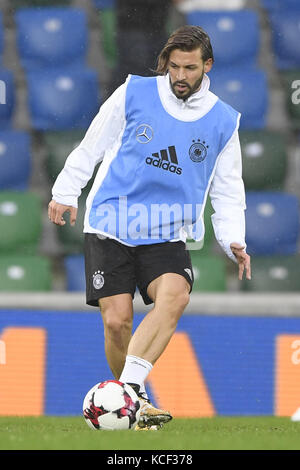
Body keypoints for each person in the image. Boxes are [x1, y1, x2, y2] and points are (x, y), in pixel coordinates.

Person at [48, 25, 251, 431]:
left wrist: (234, 238)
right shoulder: (135, 91)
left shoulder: (224, 121)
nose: (180, 76)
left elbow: (228, 187)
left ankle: (126, 394)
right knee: (116, 321)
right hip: (111, 220)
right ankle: (136, 403)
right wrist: (66, 191)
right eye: (174, 66)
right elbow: (93, 142)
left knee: (175, 297)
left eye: (190, 68)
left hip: (167, 230)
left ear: (206, 66)